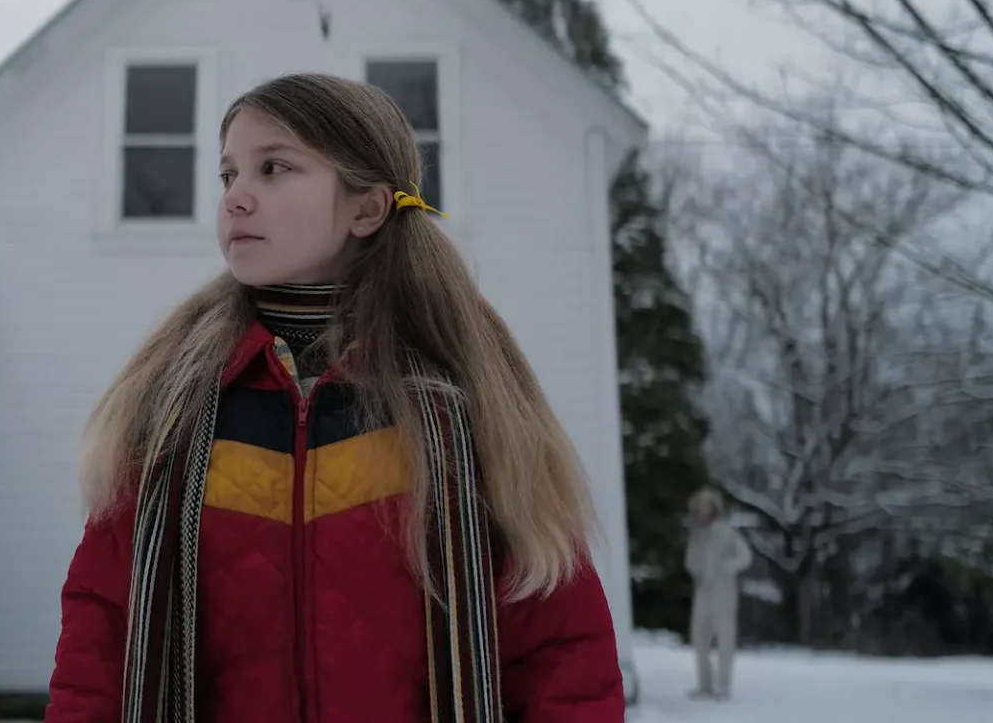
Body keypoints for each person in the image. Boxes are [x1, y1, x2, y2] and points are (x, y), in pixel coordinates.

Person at [46, 73, 624, 723]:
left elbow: (560, 649)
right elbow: (102, 628)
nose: (236, 197)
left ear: (367, 209)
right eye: (229, 174)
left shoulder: (462, 407)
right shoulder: (173, 406)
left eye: (274, 168)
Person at [683, 486, 752, 700]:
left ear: (714, 508)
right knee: (699, 636)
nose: (702, 510)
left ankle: (723, 686)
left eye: (706, 506)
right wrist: (697, 569)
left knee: (724, 638)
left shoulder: (727, 532)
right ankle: (705, 684)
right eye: (699, 506)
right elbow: (690, 562)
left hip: (724, 591)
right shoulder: (696, 535)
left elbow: (745, 555)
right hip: (703, 591)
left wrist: (726, 568)